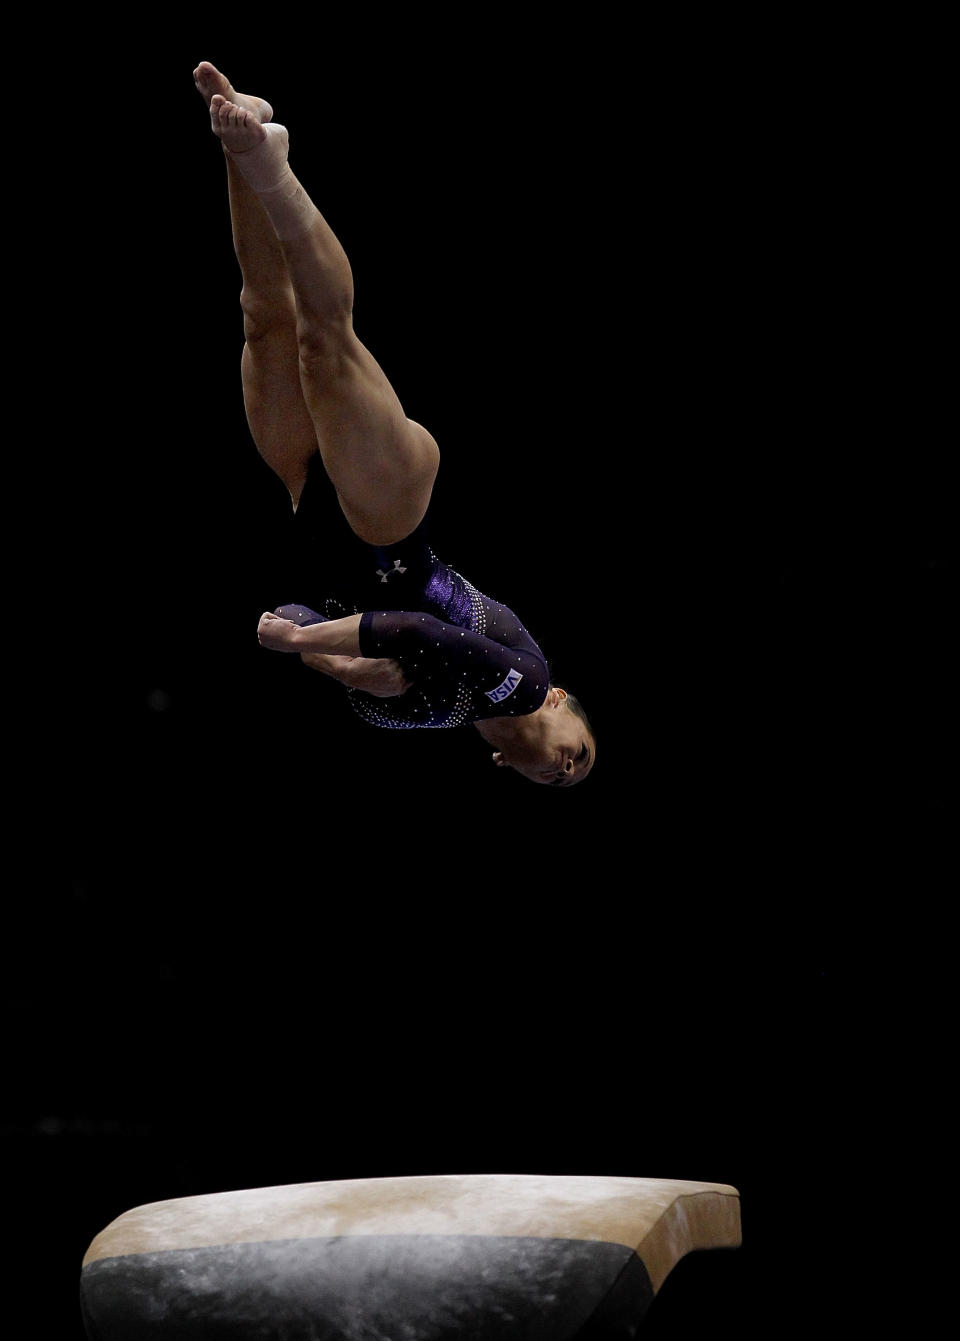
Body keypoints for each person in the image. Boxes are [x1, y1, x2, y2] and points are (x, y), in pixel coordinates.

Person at [194, 62, 594, 787]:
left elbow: (294, 612)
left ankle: (235, 138)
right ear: (563, 701)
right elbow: (416, 629)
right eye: (582, 753)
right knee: (324, 342)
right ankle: (270, 162)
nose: (566, 764)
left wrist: (326, 654)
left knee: (264, 322)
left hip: (309, 500)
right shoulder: (529, 679)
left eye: (561, 779)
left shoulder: (413, 720)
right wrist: (310, 644)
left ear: (503, 763)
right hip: (389, 521)